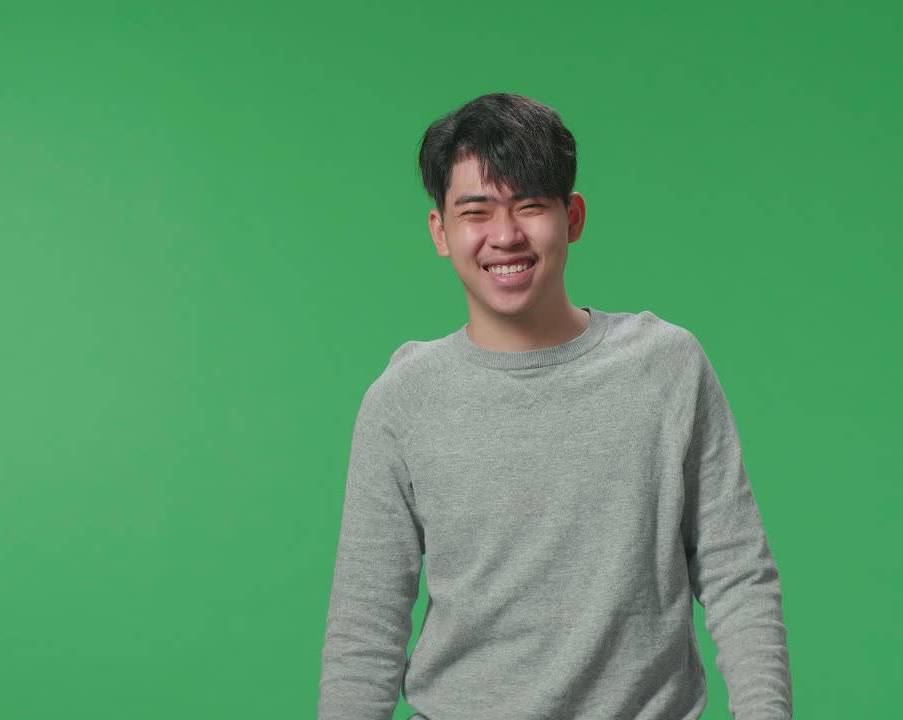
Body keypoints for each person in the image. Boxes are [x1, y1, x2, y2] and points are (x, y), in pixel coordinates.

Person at [318, 92, 792, 720]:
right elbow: (365, 629)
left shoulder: (666, 366)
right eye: (476, 211)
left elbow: (738, 574)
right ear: (441, 231)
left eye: (530, 206)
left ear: (573, 217)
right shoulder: (401, 402)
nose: (505, 235)